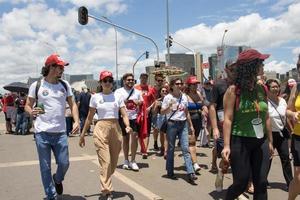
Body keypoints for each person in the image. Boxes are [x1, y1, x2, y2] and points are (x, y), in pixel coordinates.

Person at [25, 54, 80, 200]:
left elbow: (73, 104)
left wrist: (76, 121)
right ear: (50, 67)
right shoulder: (36, 86)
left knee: (64, 163)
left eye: (62, 67)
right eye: (59, 66)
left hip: (60, 132)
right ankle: (51, 196)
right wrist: (32, 112)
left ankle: (57, 179)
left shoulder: (64, 85)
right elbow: (27, 106)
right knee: (45, 167)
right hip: (42, 133)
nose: (62, 69)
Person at [222, 49, 274, 200]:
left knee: (262, 182)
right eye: (260, 62)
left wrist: (270, 141)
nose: (263, 65)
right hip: (240, 141)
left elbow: (266, 116)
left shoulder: (262, 88)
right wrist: (226, 146)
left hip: (261, 140)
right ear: (251, 66)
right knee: (241, 182)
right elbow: (228, 119)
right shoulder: (234, 90)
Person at [79, 70, 132, 200]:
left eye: (110, 81)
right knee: (106, 161)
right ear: (100, 83)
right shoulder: (95, 97)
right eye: (105, 81)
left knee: (113, 163)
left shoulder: (118, 97)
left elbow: (124, 114)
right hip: (101, 128)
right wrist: (82, 135)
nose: (108, 83)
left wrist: (127, 125)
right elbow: (89, 117)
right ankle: (106, 190)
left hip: (116, 129)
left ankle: (106, 183)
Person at [161, 78, 197, 183]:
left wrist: (190, 125)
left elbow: (186, 112)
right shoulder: (168, 97)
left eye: (181, 83)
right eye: (177, 83)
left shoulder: (184, 97)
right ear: (172, 86)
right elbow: (162, 112)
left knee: (185, 148)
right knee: (171, 149)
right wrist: (170, 108)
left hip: (183, 123)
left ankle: (191, 172)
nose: (179, 85)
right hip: (172, 123)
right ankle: (170, 171)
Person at [208, 60, 237, 192]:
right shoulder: (219, 85)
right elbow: (212, 107)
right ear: (226, 69)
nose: (235, 70)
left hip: (238, 125)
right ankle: (221, 172)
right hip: (222, 125)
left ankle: (241, 184)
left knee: (239, 157)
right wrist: (214, 128)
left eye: (237, 68)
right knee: (226, 158)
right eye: (232, 68)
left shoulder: (242, 84)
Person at [266, 79, 293, 189]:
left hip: (282, 134)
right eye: (273, 87)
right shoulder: (265, 102)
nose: (275, 88)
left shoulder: (282, 101)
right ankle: (262, 181)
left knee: (286, 158)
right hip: (269, 134)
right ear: (267, 89)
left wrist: (290, 131)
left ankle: (290, 184)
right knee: (267, 159)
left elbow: (285, 117)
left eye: (277, 86)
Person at [115, 73, 143, 171]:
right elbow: (115, 104)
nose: (130, 81)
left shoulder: (137, 92)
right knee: (125, 139)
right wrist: (125, 102)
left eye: (132, 80)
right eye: (128, 80)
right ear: (124, 81)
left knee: (135, 137)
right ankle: (126, 160)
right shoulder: (118, 92)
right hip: (123, 117)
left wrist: (138, 102)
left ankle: (133, 160)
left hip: (135, 117)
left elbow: (141, 102)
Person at [185, 76, 205, 173]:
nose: (195, 86)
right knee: (192, 142)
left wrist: (204, 110)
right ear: (189, 85)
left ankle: (189, 158)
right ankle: (195, 163)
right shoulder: (185, 96)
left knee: (193, 140)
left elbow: (203, 104)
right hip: (189, 120)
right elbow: (185, 111)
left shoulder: (199, 94)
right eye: (193, 84)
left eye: (196, 84)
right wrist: (190, 124)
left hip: (198, 119)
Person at [287, 54, 300, 200]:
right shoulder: (297, 87)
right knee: (298, 177)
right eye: (298, 66)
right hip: (298, 136)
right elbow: (288, 110)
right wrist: (293, 115)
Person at [135, 73, 156, 159]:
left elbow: (154, 101)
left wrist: (150, 108)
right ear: (140, 78)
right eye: (142, 78)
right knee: (140, 133)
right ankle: (142, 148)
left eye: (145, 78)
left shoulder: (150, 89)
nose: (144, 79)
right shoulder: (136, 88)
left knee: (146, 132)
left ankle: (145, 150)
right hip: (138, 114)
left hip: (147, 113)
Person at [151, 86, 169, 158]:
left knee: (166, 135)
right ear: (160, 93)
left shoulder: (170, 100)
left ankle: (166, 151)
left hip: (168, 117)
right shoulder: (157, 101)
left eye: (166, 91)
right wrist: (156, 106)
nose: (164, 92)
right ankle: (162, 147)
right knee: (162, 134)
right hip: (160, 118)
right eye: (163, 91)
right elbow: (154, 112)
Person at [151, 73, 165, 151]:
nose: (160, 82)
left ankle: (163, 145)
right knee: (155, 129)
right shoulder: (152, 89)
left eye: (161, 80)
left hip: (164, 110)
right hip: (155, 110)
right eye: (158, 80)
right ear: (155, 81)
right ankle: (155, 142)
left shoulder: (165, 88)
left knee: (163, 130)